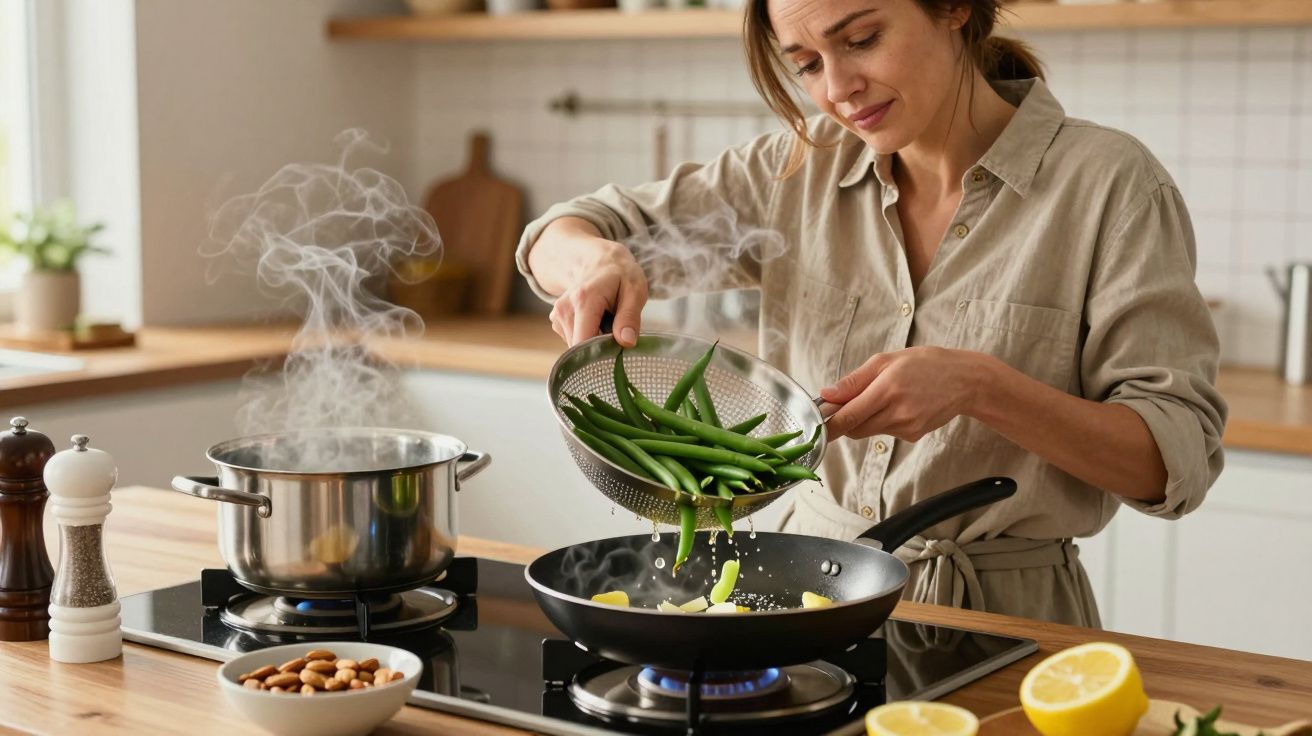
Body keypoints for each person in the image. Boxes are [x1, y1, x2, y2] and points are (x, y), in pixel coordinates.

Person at [513, 0, 1227, 626]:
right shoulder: (794, 169)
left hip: (1007, 622)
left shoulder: (1110, 185)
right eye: (806, 64)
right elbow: (567, 229)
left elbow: (1173, 461)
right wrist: (593, 261)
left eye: (860, 40)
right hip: (797, 596)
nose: (836, 90)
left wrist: (981, 386)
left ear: (952, 8)